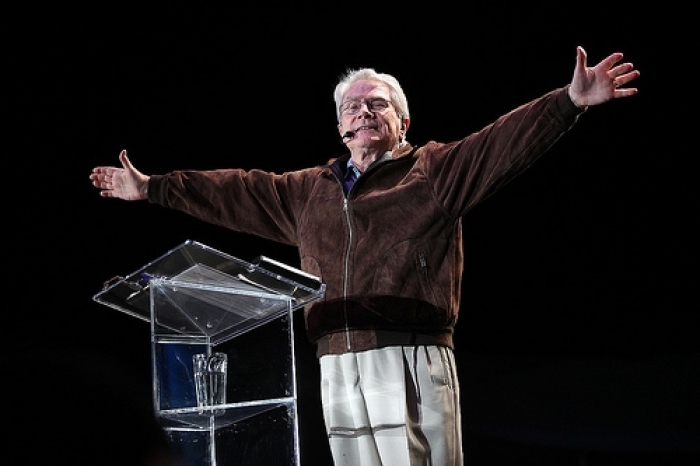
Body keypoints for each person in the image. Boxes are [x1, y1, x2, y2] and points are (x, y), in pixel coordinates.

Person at [90, 46, 639, 466]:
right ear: (339, 126)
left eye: (378, 104)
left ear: (403, 122)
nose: (364, 111)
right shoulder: (309, 191)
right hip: (334, 362)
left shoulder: (433, 171)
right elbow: (234, 190)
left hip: (408, 355)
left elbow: (499, 143)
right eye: (352, 106)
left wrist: (567, 104)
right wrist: (153, 188)